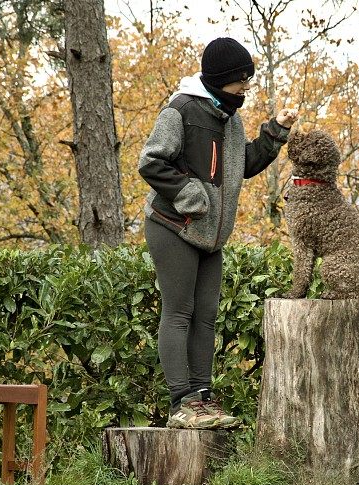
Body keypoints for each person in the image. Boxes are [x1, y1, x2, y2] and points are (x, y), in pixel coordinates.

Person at [138, 37, 298, 429]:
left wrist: (275, 132)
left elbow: (242, 164)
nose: (246, 86)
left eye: (248, 79)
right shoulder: (181, 110)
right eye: (241, 80)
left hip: (211, 236)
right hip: (174, 227)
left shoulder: (228, 116)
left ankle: (202, 399)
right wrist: (190, 194)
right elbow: (151, 162)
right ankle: (182, 404)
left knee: (206, 315)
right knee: (179, 313)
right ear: (219, 78)